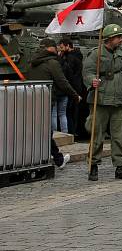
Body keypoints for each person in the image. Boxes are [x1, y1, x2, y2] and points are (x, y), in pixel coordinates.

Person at [83, 24, 122, 181]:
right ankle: (93, 166)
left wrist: (119, 86)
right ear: (110, 39)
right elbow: (87, 72)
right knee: (97, 136)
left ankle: (120, 167)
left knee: (119, 137)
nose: (121, 39)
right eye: (118, 37)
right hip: (100, 100)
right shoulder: (95, 54)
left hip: (118, 101)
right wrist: (93, 81)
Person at [31, 38, 80, 169]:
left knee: (38, 130)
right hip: (46, 100)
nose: (57, 49)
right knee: (47, 131)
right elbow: (62, 81)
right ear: (50, 48)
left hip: (30, 99)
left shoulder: (32, 60)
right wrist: (75, 95)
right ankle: (58, 159)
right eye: (55, 47)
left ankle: (40, 157)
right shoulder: (52, 62)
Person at [43, 38, 77, 134]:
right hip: (64, 92)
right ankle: (65, 133)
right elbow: (68, 78)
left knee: (53, 114)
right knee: (63, 114)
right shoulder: (65, 64)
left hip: (55, 92)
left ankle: (55, 134)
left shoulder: (51, 64)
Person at [58, 37, 84, 135]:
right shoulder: (77, 56)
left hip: (72, 87)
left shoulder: (70, 58)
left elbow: (68, 73)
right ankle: (73, 131)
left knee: (68, 112)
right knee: (72, 111)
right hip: (76, 87)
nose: (60, 49)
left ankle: (70, 132)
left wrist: (60, 57)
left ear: (67, 46)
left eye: (61, 47)